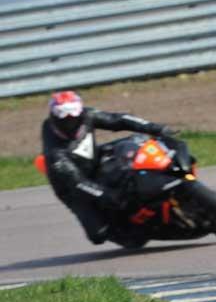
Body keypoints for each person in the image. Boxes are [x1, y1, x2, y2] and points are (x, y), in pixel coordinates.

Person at [41, 90, 177, 245]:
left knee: (135, 144)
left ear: (80, 113)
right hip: (72, 188)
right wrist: (107, 195)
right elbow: (78, 183)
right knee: (99, 234)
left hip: (93, 159)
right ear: (54, 119)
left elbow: (118, 120)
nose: (70, 123)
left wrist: (155, 128)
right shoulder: (56, 154)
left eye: (74, 117)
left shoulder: (87, 116)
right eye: (64, 119)